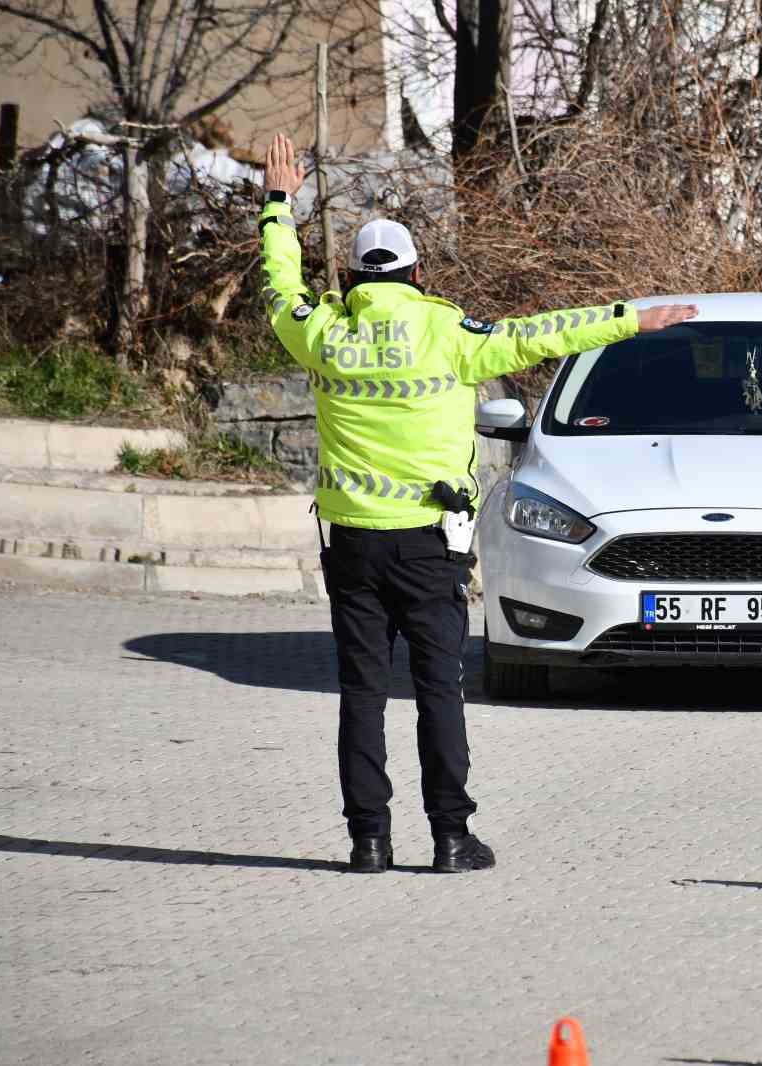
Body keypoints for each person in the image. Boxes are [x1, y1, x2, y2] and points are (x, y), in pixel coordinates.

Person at [258, 133, 697, 874]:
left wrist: (278, 205)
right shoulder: (449, 332)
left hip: (354, 546)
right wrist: (631, 317)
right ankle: (451, 839)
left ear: (351, 275)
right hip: (431, 546)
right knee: (439, 689)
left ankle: (368, 841)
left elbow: (279, 285)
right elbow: (540, 333)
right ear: (417, 272)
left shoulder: (322, 333)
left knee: (361, 692)